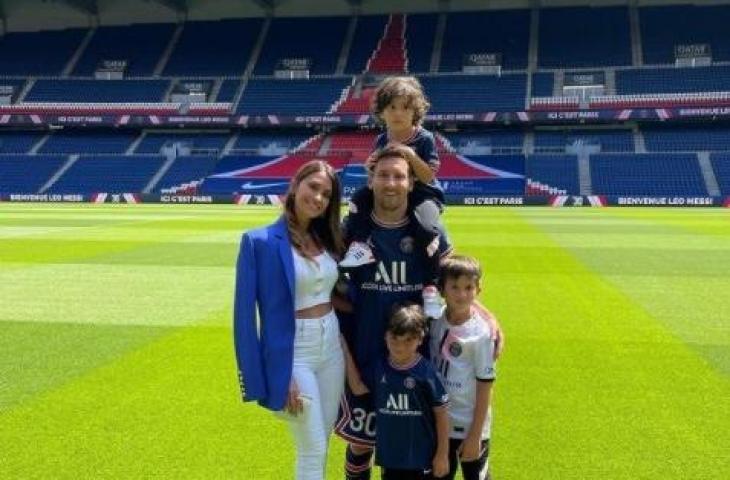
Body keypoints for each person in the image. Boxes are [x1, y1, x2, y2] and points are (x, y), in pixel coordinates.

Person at [335, 144, 453, 480]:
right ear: (370, 181)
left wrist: (485, 315)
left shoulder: (430, 234)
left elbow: (457, 284)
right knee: (360, 443)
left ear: (410, 183)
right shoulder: (352, 233)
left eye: (399, 176)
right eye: (383, 175)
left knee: (410, 443)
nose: (391, 183)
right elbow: (323, 282)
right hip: (364, 350)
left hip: (412, 358)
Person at [233, 159, 346, 480]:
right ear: (296, 186)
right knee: (311, 450)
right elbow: (244, 320)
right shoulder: (259, 242)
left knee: (321, 443)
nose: (319, 198)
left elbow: (329, 293)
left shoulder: (327, 239)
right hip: (295, 352)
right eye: (313, 187)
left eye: (326, 194)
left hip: (331, 348)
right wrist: (274, 375)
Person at [340, 76, 446, 294]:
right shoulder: (381, 139)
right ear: (382, 112)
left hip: (423, 194)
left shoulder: (424, 138)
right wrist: (369, 165)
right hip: (392, 192)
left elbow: (428, 177)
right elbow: (375, 171)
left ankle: (432, 282)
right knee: (358, 200)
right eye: (392, 107)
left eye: (405, 108)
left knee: (426, 227)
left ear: (415, 112)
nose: (398, 113)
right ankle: (359, 246)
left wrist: (410, 155)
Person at [430, 255, 496, 480]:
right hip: (441, 426)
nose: (461, 294)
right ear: (442, 290)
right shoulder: (435, 321)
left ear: (479, 290)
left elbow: (485, 387)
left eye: (469, 287)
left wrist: (476, 436)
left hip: (470, 427)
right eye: (454, 287)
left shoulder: (481, 334)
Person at [375, 303, 450, 480]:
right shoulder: (379, 367)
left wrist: (442, 455)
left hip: (421, 460)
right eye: (394, 338)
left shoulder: (427, 372)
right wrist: (342, 346)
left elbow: (442, 415)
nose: (400, 346)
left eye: (408, 340)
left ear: (420, 339)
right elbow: (357, 386)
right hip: (391, 459)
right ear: (385, 336)